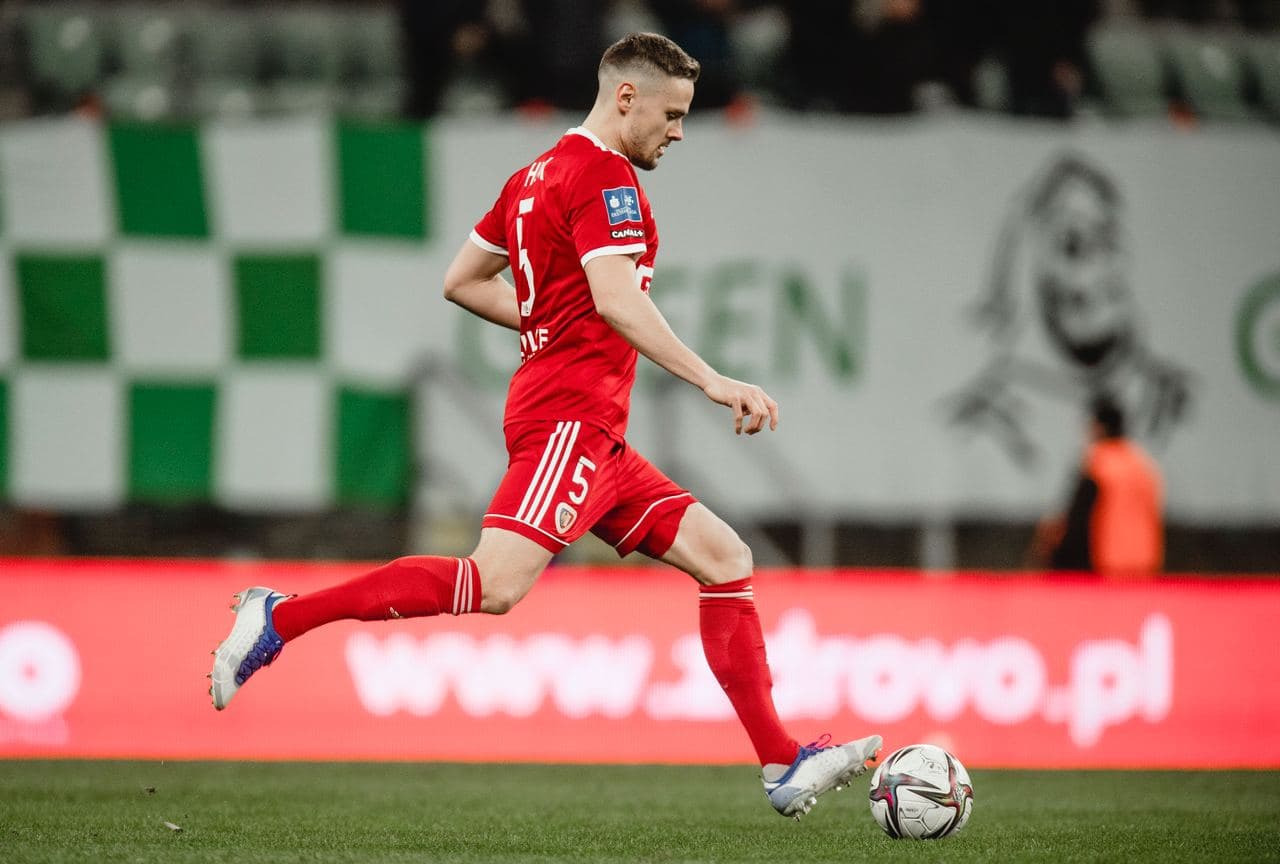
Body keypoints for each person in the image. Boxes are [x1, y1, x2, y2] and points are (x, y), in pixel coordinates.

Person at [210, 31, 881, 820]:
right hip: (570, 419)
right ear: (625, 97)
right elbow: (618, 299)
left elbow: (463, 281)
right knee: (493, 585)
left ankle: (781, 761)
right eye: (671, 113)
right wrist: (712, 379)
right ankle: (279, 618)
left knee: (725, 557)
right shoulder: (606, 178)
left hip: (592, 430)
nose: (678, 131)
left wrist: (553, 319)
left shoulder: (533, 176)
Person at [1029, 395, 1164, 578]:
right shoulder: (1143, 463)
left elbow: (1078, 520)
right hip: (1144, 564)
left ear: (1098, 426)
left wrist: (1054, 553)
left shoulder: (1097, 463)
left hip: (1106, 565)